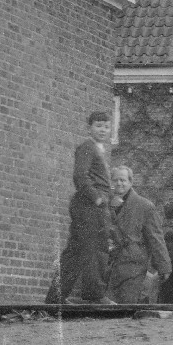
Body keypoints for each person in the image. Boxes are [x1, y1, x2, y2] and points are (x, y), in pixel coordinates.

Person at [59, 110, 115, 304]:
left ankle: (56, 297)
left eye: (106, 127)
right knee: (94, 249)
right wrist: (98, 198)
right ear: (89, 127)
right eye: (98, 126)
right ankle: (94, 296)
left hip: (91, 207)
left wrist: (110, 198)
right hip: (89, 207)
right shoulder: (88, 147)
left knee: (76, 252)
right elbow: (80, 176)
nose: (103, 130)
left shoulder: (98, 149)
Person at [105, 167, 171, 303]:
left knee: (127, 305)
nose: (119, 183)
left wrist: (164, 266)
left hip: (133, 266)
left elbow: (156, 238)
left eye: (123, 180)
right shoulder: (105, 204)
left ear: (130, 182)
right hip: (109, 266)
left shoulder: (144, 206)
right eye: (115, 180)